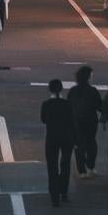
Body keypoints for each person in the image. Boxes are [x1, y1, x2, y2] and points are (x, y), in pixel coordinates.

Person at [40, 79, 76, 207]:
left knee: (52, 166)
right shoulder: (67, 104)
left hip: (52, 138)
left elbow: (43, 120)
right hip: (67, 138)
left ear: (50, 89)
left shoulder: (46, 104)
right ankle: (64, 192)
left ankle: (54, 196)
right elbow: (72, 122)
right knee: (65, 165)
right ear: (61, 89)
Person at [69, 65, 103, 177]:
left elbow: (68, 106)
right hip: (91, 121)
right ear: (88, 77)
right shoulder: (92, 91)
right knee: (91, 143)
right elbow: (100, 106)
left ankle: (82, 170)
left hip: (76, 121)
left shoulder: (73, 91)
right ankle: (91, 165)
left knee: (79, 145)